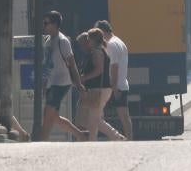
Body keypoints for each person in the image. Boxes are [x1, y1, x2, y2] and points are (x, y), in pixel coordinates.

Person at [40, 10, 89, 142]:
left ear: (55, 24)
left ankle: (42, 141)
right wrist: (44, 83)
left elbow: (72, 64)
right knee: (54, 117)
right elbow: (47, 65)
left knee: (47, 113)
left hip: (61, 83)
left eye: (46, 23)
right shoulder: (48, 41)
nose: (44, 26)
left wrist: (79, 84)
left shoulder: (63, 41)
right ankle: (81, 135)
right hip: (51, 82)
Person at [75, 28, 115, 141]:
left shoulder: (97, 52)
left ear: (92, 40)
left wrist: (84, 78)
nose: (87, 42)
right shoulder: (102, 50)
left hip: (99, 89)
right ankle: (92, 142)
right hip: (101, 89)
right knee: (93, 119)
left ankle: (117, 137)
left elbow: (99, 70)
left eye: (88, 39)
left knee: (95, 120)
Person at [95, 20, 133, 140]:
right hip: (122, 84)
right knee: (125, 117)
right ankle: (129, 139)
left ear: (102, 32)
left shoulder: (110, 44)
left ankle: (117, 137)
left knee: (98, 115)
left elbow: (114, 67)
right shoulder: (120, 42)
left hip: (115, 87)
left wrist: (114, 88)